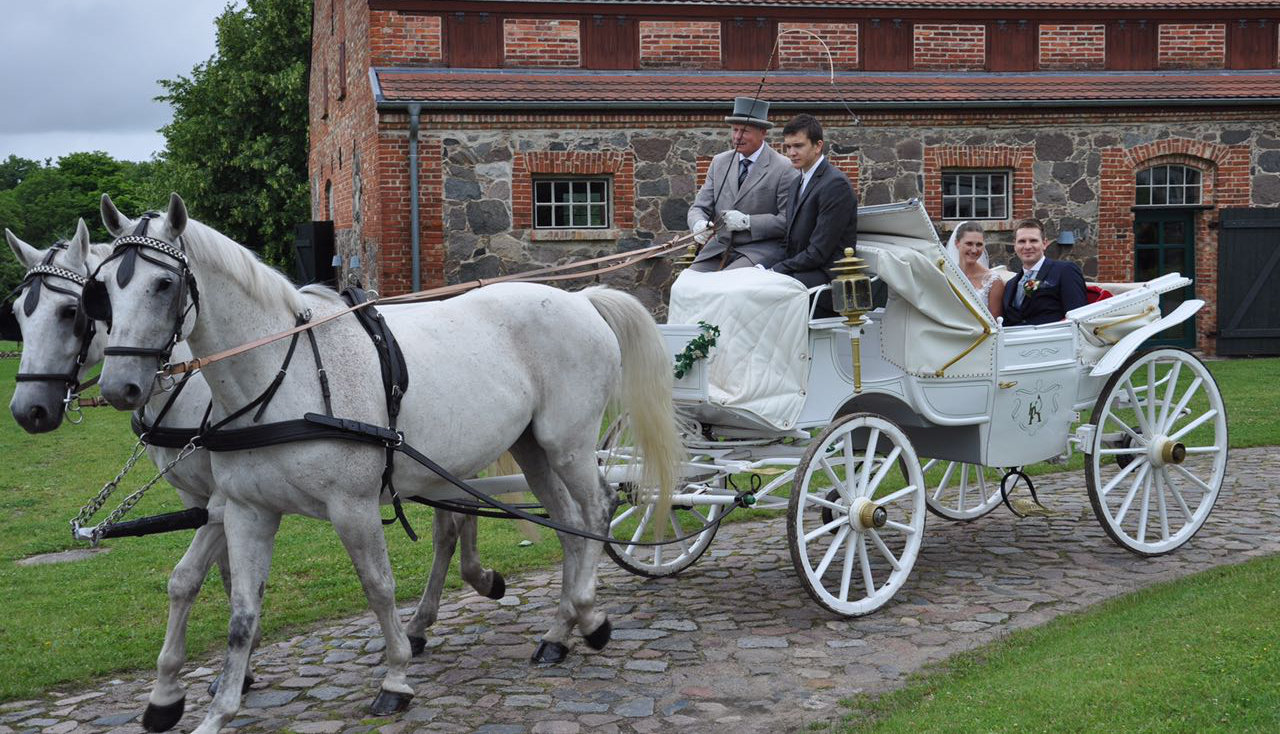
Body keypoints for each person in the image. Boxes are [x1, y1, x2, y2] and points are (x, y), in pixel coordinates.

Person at [687, 97, 799, 271]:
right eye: (735, 130)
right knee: (685, 286)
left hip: (760, 250)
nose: (738, 137)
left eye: (745, 131)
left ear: (763, 132)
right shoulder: (719, 162)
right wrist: (698, 225)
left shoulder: (784, 168)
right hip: (718, 248)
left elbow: (787, 221)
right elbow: (699, 208)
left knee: (728, 286)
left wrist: (748, 222)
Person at [770, 114, 856, 317]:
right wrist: (763, 267)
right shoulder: (796, 183)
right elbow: (790, 242)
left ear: (818, 146)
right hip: (804, 270)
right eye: (788, 147)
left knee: (765, 294)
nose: (791, 153)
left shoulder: (835, 184)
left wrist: (776, 270)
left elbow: (819, 252)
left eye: (798, 146)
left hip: (829, 281)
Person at [1001, 218, 1086, 326]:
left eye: (1033, 241)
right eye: (1022, 241)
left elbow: (1078, 316)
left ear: (1044, 244)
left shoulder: (1065, 271)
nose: (1027, 246)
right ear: (1015, 245)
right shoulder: (1011, 284)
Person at [945, 221, 1004, 320]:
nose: (974, 250)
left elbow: (995, 323)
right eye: (969, 244)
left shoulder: (993, 281)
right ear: (957, 243)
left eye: (979, 244)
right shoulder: (947, 275)